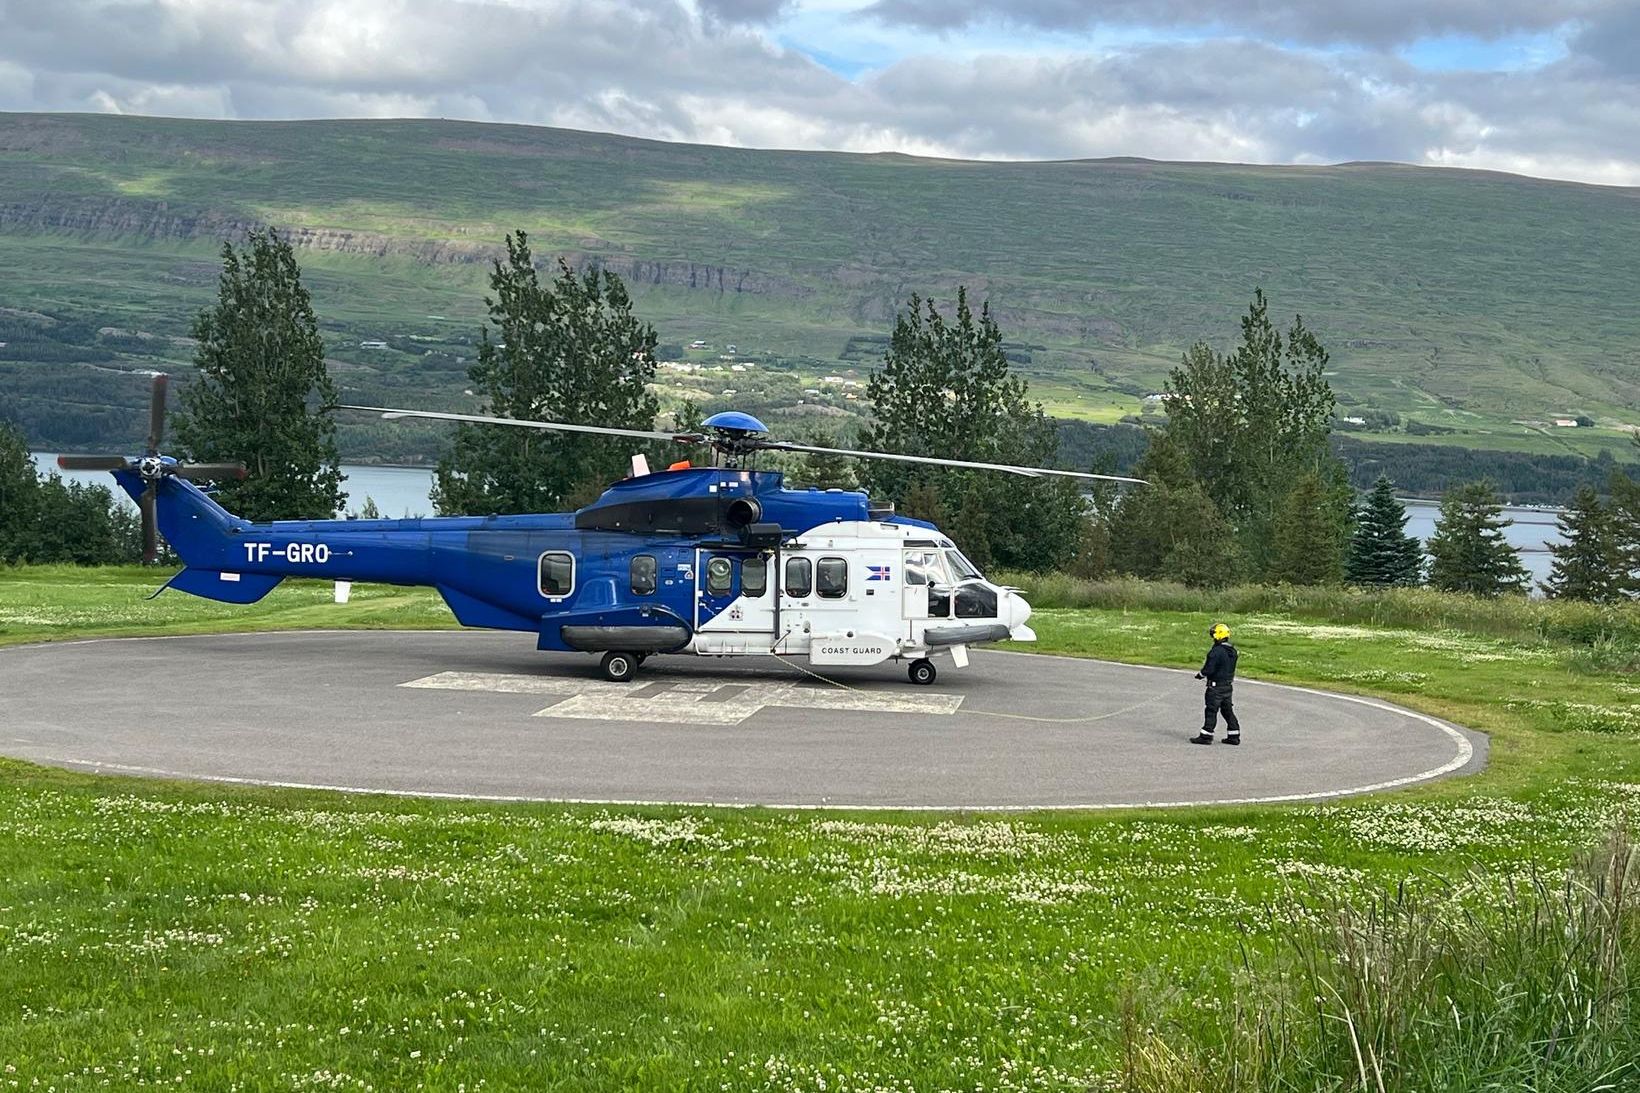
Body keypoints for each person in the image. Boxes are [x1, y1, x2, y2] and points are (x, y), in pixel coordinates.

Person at [1190, 622, 1240, 746]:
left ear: (1218, 635)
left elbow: (1209, 669)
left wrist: (1200, 675)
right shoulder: (1233, 651)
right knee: (1227, 710)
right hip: (1228, 686)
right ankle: (1234, 735)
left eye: (1213, 634)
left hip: (1215, 686)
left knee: (1211, 710)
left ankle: (1206, 735)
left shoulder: (1216, 652)